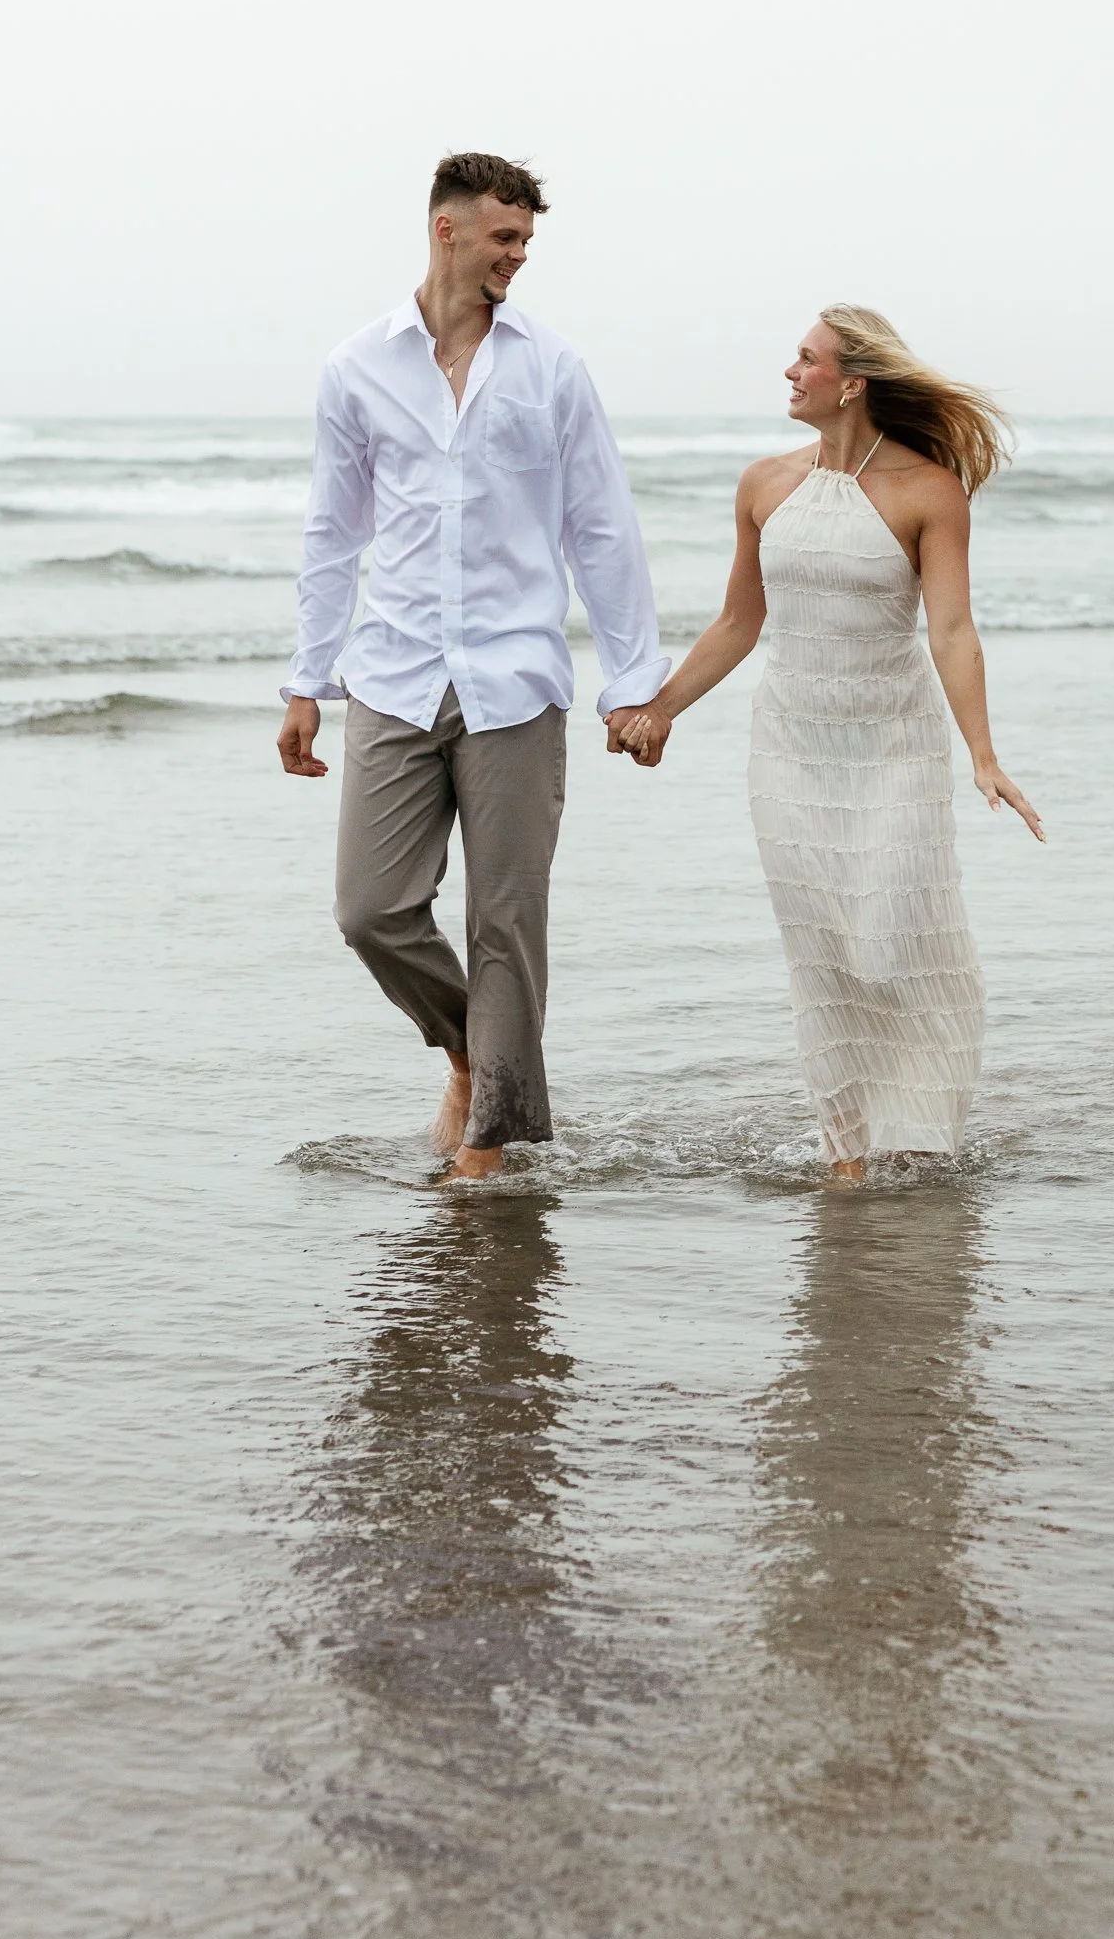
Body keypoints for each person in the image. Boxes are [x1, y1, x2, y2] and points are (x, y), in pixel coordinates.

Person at [277, 152, 667, 1178]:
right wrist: (305, 680)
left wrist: (635, 683)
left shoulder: (553, 368)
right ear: (446, 229)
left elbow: (604, 531)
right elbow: (332, 535)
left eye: (527, 241)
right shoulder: (357, 368)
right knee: (372, 911)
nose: (518, 257)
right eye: (505, 238)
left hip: (516, 681)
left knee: (507, 923)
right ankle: (467, 1052)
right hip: (395, 675)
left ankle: (489, 1147)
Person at [610, 309, 1040, 1179]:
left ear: (852, 383)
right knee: (825, 953)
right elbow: (739, 622)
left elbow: (952, 630)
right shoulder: (765, 485)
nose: (788, 371)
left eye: (805, 360)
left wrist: (982, 755)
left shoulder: (928, 489)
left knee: (890, 936)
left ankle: (917, 1133)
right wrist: (659, 709)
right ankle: (847, 1150)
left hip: (893, 745)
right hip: (792, 750)